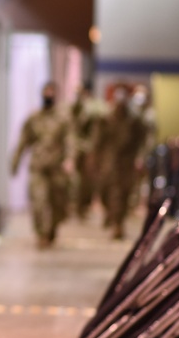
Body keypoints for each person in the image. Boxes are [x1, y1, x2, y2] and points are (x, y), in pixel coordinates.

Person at [10, 81, 71, 248]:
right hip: (38, 167)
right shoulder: (34, 118)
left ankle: (52, 229)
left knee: (57, 203)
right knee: (38, 201)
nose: (48, 95)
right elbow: (23, 141)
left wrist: (70, 160)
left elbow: (70, 141)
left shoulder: (63, 119)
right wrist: (15, 163)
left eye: (52, 92)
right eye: (46, 92)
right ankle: (41, 233)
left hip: (57, 168)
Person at [94, 82, 148, 240]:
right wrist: (95, 160)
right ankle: (110, 214)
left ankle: (118, 224)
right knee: (105, 192)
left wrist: (140, 158)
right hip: (108, 162)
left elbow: (142, 141)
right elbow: (98, 141)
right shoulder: (106, 118)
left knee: (122, 194)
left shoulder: (134, 121)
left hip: (126, 163)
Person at [68, 81, 103, 219]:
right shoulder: (74, 107)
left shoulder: (95, 107)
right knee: (76, 180)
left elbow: (98, 127)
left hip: (89, 149)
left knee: (88, 180)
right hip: (76, 149)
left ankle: (84, 205)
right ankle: (77, 205)